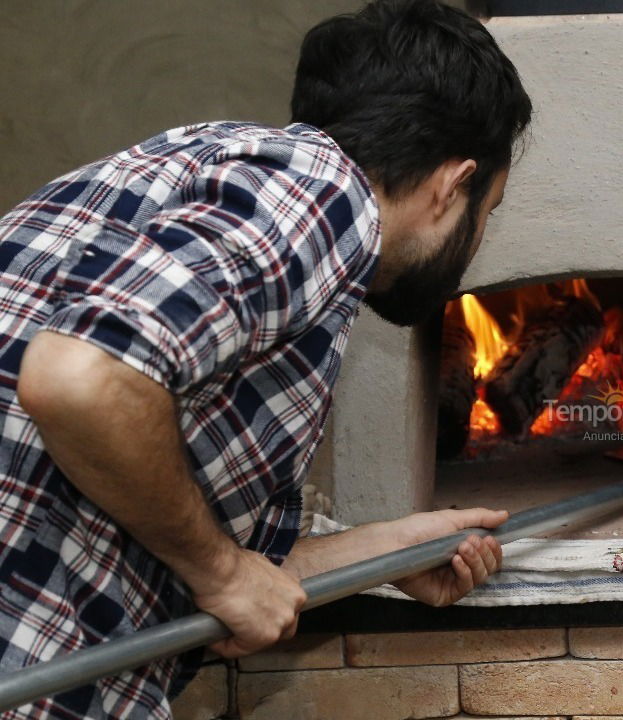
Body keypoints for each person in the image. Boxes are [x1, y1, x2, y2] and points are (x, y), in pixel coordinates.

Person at [0, 0, 532, 717]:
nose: (477, 243)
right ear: (451, 184)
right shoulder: (325, 194)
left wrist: (383, 552)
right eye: (489, 211)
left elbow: (154, 528)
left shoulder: (209, 168)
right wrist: (220, 573)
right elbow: (78, 378)